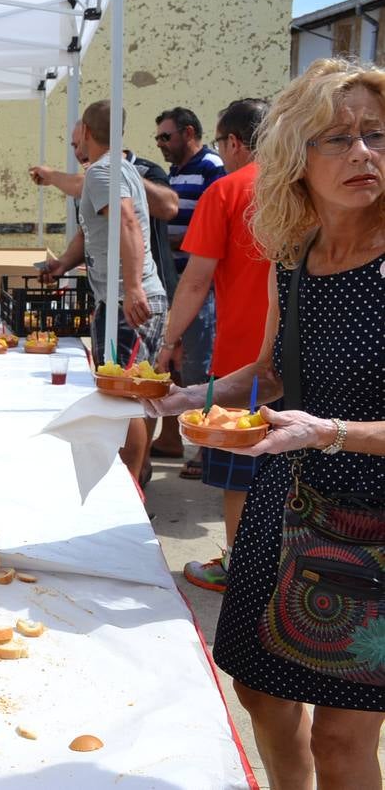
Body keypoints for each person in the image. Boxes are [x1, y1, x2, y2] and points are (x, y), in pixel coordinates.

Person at [144, 58, 385, 788]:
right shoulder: (295, 258)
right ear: (294, 159)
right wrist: (199, 394)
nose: (363, 154)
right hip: (283, 499)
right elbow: (271, 372)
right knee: (262, 696)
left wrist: (331, 431)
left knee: (343, 737)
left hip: (371, 520)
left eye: (375, 134)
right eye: (336, 139)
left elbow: (320, 418)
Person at [154, 98, 271, 592]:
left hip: (244, 361)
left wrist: (168, 343)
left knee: (241, 475)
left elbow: (196, 280)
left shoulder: (226, 191)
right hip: (307, 358)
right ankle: (279, 569)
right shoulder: (310, 186)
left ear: (233, 143)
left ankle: (240, 569)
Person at [40, 102, 168, 485]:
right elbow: (94, 229)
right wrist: (63, 263)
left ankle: (129, 485)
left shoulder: (102, 172)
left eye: (77, 138)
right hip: (122, 298)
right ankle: (132, 478)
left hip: (126, 302)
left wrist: (130, 289)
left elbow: (126, 223)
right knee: (125, 395)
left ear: (89, 134)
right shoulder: (117, 169)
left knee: (123, 398)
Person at [153, 106, 225, 475]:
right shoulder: (176, 173)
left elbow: (210, 229)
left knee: (199, 368)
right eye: (158, 138)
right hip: (178, 283)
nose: (161, 143)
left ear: (189, 132)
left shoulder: (211, 168)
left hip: (202, 287)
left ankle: (205, 450)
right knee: (176, 368)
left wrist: (171, 241)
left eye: (166, 136)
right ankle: (171, 439)